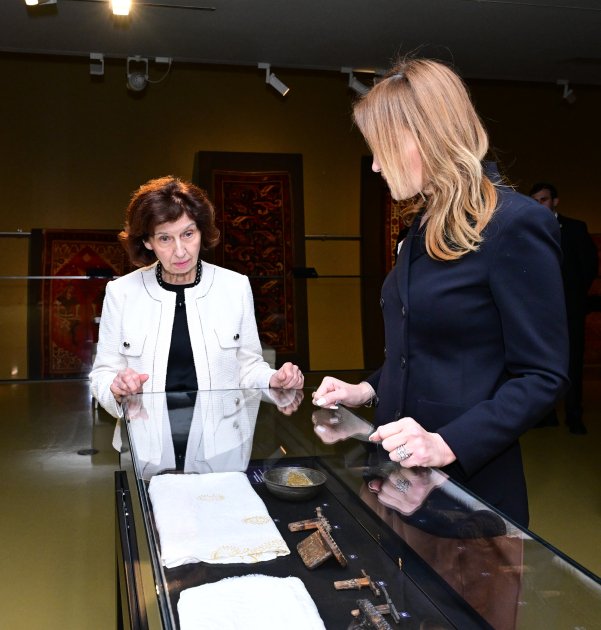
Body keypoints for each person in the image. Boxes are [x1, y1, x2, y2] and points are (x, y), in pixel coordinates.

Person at [313, 58, 569, 527]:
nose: (375, 165)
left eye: (381, 149)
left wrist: (446, 443)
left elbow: (542, 376)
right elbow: (423, 350)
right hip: (399, 479)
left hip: (468, 493)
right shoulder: (422, 226)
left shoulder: (514, 224)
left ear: (424, 138)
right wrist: (365, 389)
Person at [90, 176, 303, 419]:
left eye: (188, 234)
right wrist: (115, 388)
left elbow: (248, 367)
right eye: (165, 238)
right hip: (145, 430)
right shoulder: (121, 292)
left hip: (220, 433)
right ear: (148, 242)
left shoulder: (235, 287)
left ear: (201, 230)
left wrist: (273, 379)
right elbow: (102, 375)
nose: (180, 251)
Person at [530, 182, 598, 434]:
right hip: (540, 312)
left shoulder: (576, 228)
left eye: (544, 199)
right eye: (535, 200)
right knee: (543, 364)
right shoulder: (527, 228)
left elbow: (589, 266)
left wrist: (573, 296)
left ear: (555, 202)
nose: (539, 205)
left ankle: (574, 415)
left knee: (573, 363)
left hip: (571, 309)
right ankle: (547, 415)